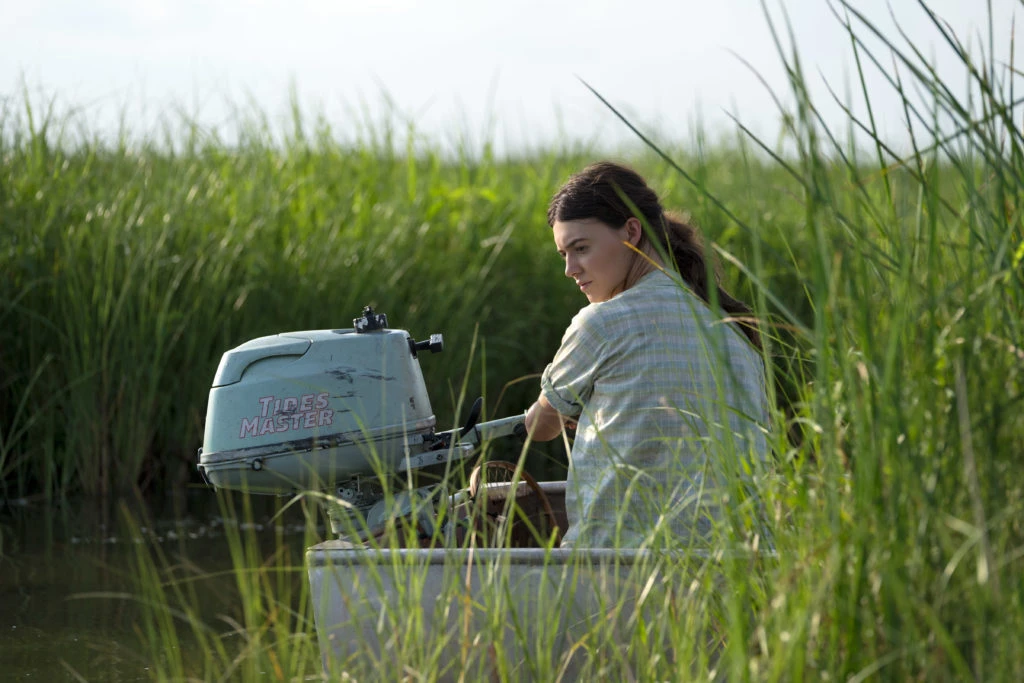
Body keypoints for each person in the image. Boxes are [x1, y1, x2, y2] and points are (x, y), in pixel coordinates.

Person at [524, 161, 770, 549]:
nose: (570, 269)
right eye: (563, 255)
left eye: (581, 248)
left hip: (620, 567)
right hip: (739, 563)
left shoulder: (601, 323)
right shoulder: (734, 330)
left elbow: (539, 428)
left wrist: (558, 412)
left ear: (631, 232)